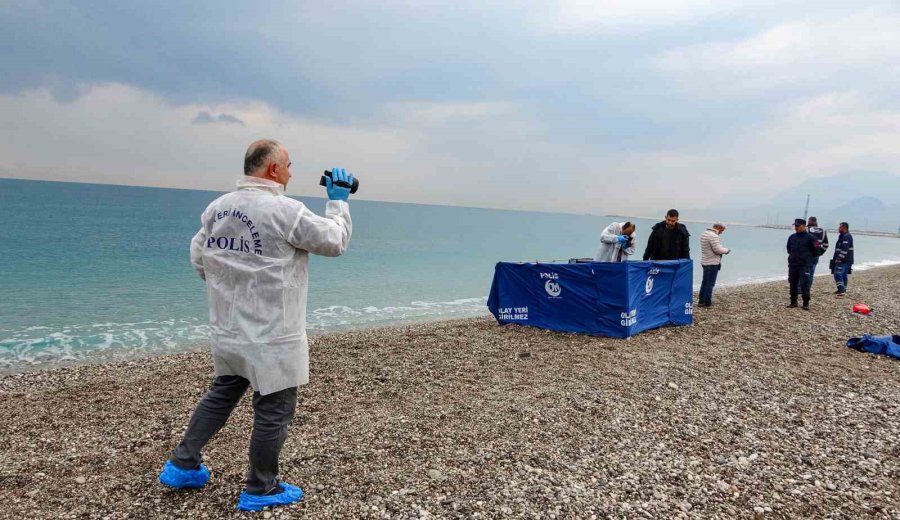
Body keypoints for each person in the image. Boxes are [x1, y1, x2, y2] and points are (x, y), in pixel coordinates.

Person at [158, 139, 355, 512]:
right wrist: (339, 201)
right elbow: (334, 241)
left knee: (223, 392)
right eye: (289, 165)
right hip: (272, 333)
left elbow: (199, 256)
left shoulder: (218, 208)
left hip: (229, 329)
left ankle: (183, 464)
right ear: (273, 169)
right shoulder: (285, 210)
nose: (292, 173)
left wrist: (229, 288)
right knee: (274, 408)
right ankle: (260, 488)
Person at [786, 218, 818, 310]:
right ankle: (793, 302)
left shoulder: (811, 238)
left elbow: (817, 251)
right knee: (792, 283)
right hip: (793, 264)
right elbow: (788, 249)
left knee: (805, 284)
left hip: (804, 265)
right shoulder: (792, 237)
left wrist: (808, 259)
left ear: (804, 226)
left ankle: (806, 303)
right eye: (795, 226)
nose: (796, 227)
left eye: (798, 226)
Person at [698, 223, 731, 307]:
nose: (721, 232)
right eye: (722, 230)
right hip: (712, 263)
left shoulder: (704, 234)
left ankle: (701, 300)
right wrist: (727, 250)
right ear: (718, 227)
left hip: (705, 261)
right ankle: (707, 302)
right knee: (710, 283)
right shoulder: (713, 236)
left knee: (705, 282)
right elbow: (718, 250)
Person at [831, 222, 854, 295]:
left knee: (837, 273)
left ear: (844, 228)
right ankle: (844, 288)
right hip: (847, 259)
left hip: (844, 259)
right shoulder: (843, 236)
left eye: (840, 227)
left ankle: (841, 289)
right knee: (843, 274)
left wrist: (839, 258)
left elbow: (845, 249)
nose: (838, 228)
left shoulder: (846, 236)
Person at [806, 216, 829, 281]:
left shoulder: (807, 229)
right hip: (816, 254)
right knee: (811, 272)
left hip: (807, 254)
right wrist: (820, 252)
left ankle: (801, 287)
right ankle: (808, 287)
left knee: (804, 271)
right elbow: (826, 244)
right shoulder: (822, 231)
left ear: (810, 221)